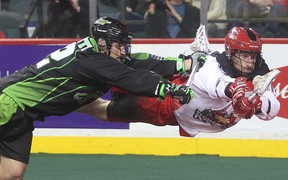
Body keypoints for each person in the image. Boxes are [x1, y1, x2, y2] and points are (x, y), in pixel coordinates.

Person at [0, 16, 194, 180]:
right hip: (8, 102)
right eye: (119, 45)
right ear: (102, 42)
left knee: (12, 172)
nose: (123, 50)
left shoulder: (102, 55)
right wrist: (168, 89)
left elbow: (138, 61)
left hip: (24, 113)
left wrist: (183, 64)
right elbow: (130, 77)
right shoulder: (89, 59)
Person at [78, 26, 280, 137]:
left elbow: (273, 108)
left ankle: (74, 99)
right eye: (245, 55)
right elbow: (213, 82)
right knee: (109, 95)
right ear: (231, 52)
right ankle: (68, 94)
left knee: (107, 108)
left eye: (253, 56)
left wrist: (258, 103)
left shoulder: (260, 72)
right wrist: (235, 90)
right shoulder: (215, 62)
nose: (250, 61)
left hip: (178, 115)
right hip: (168, 100)